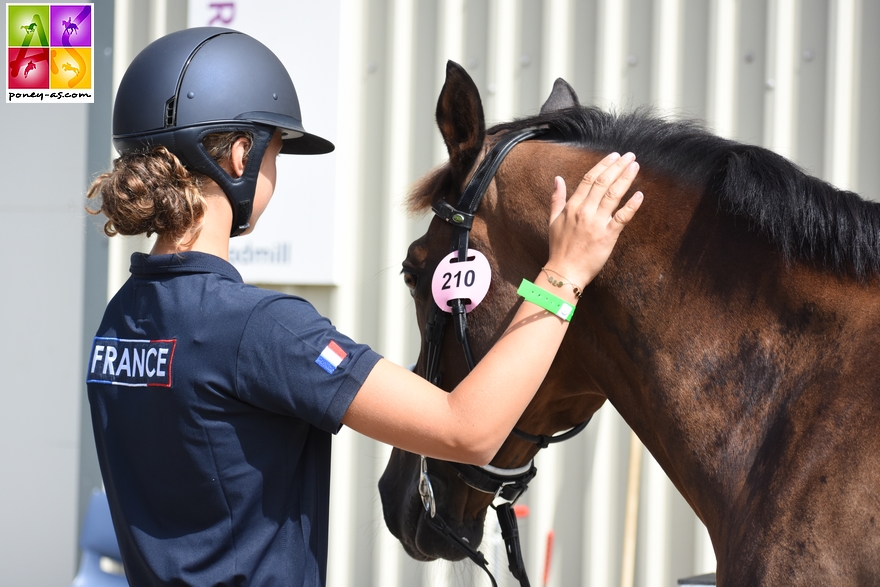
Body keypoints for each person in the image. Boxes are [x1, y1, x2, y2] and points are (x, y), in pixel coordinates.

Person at [85, 27, 643, 587]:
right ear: (239, 158)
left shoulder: (118, 323)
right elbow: (467, 430)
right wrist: (564, 273)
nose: (274, 172)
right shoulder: (261, 330)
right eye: (275, 152)